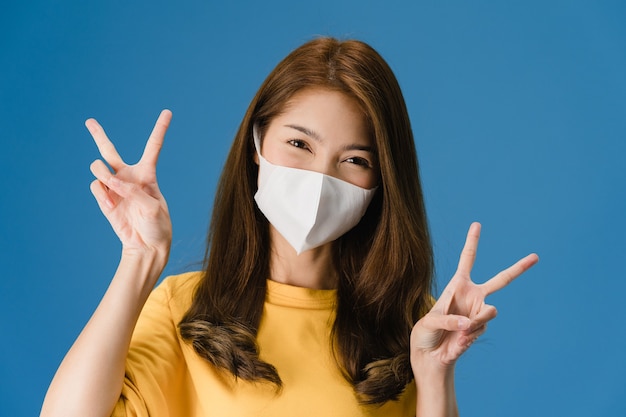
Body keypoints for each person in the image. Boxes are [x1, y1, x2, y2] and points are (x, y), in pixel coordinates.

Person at [40, 37, 538, 417]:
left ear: (382, 181)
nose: (320, 179)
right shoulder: (182, 309)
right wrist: (139, 259)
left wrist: (435, 375)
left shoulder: (412, 326)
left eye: (354, 159)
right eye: (299, 145)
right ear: (257, 145)